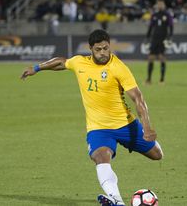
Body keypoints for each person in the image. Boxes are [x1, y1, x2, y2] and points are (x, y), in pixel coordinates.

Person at [20, 29, 164, 206]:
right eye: (98, 49)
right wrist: (36, 68)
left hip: (126, 124)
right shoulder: (80, 62)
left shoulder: (118, 67)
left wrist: (147, 127)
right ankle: (116, 201)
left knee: (157, 155)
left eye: (106, 48)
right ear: (90, 49)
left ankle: (144, 148)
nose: (103, 53)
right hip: (99, 128)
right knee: (100, 157)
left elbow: (138, 98)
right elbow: (61, 62)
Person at [145, 0, 173, 85]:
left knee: (162, 58)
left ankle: (162, 80)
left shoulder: (167, 15)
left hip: (163, 39)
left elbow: (171, 26)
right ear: (157, 5)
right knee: (150, 58)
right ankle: (149, 79)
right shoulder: (154, 15)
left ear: (164, 5)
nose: (160, 5)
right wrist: (147, 37)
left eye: (161, 4)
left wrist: (169, 37)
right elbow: (150, 27)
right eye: (158, 4)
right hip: (154, 39)